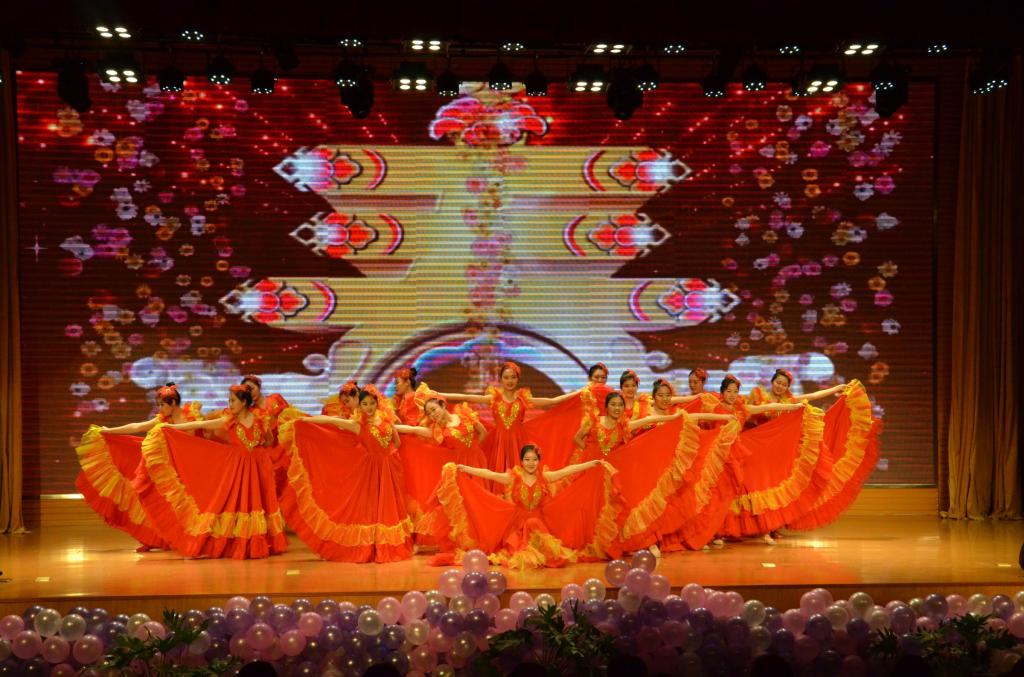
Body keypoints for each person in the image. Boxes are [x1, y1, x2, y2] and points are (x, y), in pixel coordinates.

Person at [133, 383, 288, 559]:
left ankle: (261, 542)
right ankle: (242, 544)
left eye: (233, 401)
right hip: (240, 467)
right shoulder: (229, 420)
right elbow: (203, 423)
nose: (230, 404)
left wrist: (258, 453)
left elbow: (268, 441)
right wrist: (172, 428)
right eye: (229, 401)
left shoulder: (261, 419)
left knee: (260, 502)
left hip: (259, 466)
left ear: (244, 402)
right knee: (240, 503)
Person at [417, 444, 623, 568]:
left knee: (543, 540)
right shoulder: (512, 478)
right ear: (522, 461)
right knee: (520, 550)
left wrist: (592, 464)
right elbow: (490, 474)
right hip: (516, 524)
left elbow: (568, 470)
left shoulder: (545, 477)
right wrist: (465, 468)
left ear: (539, 461)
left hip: (540, 523)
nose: (531, 463)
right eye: (527, 459)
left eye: (534, 459)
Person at [277, 386, 413, 562]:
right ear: (360, 406)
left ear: (377, 403)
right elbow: (330, 421)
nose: (369, 407)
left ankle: (386, 546)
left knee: (388, 506)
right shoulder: (357, 425)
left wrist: (389, 456)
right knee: (371, 508)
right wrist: (306, 420)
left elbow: (397, 442)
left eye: (372, 403)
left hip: (389, 470)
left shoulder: (387, 421)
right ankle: (371, 547)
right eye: (365, 404)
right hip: (370, 471)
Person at [75, 383, 201, 552]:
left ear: (173, 403)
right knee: (155, 501)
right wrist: (110, 431)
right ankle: (158, 538)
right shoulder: (163, 419)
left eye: (162, 405)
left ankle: (189, 540)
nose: (160, 409)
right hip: (168, 469)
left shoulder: (191, 417)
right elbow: (138, 426)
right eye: (159, 405)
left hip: (189, 469)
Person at [707, 375, 827, 545]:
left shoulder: (742, 409)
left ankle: (760, 530)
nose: (732, 395)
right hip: (720, 455)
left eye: (735, 391)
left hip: (742, 451)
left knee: (748, 488)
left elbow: (769, 406)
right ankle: (715, 533)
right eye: (728, 391)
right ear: (722, 392)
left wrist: (794, 406)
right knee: (720, 493)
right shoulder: (715, 407)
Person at [434, 361, 580, 474]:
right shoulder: (494, 398)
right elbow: (465, 397)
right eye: (506, 377)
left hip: (519, 441)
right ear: (501, 379)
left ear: (518, 379)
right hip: (499, 443)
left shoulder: (523, 399)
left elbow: (552, 401)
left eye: (513, 377)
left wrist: (580, 392)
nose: (510, 381)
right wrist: (437, 394)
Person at [394, 397, 490, 518]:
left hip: (477, 461)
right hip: (460, 467)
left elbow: (483, 432)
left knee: (480, 497)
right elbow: (414, 430)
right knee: (466, 503)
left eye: (434, 409)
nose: (432, 415)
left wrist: (473, 450)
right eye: (429, 413)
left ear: (443, 406)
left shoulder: (464, 414)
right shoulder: (438, 431)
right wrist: (391, 426)